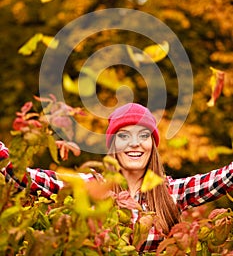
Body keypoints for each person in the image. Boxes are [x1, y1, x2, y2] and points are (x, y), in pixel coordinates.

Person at [1, 102, 233, 253]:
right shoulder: (92, 186)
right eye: (124, 136)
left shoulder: (170, 191)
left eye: (143, 135)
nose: (134, 143)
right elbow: (28, 178)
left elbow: (223, 178)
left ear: (152, 144)